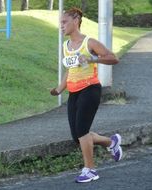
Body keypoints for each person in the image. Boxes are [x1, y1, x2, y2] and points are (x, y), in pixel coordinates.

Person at [50, 7, 122, 183]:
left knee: (82, 131)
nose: (61, 25)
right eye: (60, 22)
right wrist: (60, 88)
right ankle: (110, 143)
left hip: (90, 89)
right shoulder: (65, 46)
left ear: (76, 21)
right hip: (74, 92)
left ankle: (90, 170)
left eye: (64, 22)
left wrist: (92, 59)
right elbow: (70, 70)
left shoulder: (89, 43)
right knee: (77, 137)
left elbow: (113, 58)